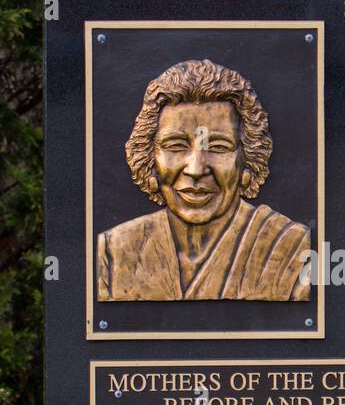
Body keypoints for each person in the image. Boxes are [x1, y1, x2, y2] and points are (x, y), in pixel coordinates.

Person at [97, 58, 310, 301]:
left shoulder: (293, 251)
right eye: (175, 146)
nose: (196, 169)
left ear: (248, 159)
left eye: (218, 147)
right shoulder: (113, 252)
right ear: (149, 157)